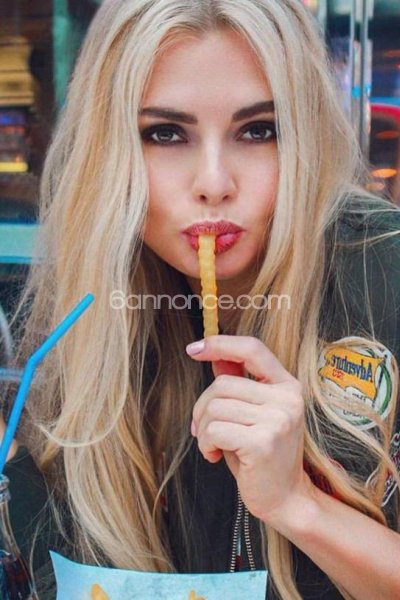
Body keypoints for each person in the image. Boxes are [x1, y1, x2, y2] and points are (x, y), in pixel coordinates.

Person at [1, 0, 400, 598]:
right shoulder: (96, 305)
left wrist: (299, 504)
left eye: (259, 130)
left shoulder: (384, 271)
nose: (214, 183)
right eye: (165, 134)